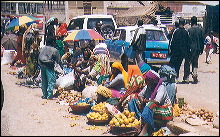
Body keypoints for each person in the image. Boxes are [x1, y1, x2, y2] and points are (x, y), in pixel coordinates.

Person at [137, 70, 172, 135]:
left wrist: (146, 101)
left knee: (151, 104)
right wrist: (142, 101)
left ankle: (147, 128)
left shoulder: (161, 88)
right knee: (134, 101)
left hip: (164, 110)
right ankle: (139, 122)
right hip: (150, 108)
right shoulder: (147, 86)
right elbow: (139, 95)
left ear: (153, 81)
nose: (145, 81)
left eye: (147, 80)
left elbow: (157, 101)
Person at [169, 18, 191, 83]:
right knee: (178, 64)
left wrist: (170, 51)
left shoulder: (176, 31)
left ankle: (174, 77)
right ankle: (176, 77)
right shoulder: (186, 32)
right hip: (182, 52)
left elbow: (172, 42)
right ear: (184, 24)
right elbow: (188, 43)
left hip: (175, 51)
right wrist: (187, 52)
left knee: (173, 64)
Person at [187, 16, 204, 83]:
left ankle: (187, 77)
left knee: (188, 63)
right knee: (195, 62)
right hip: (197, 49)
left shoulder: (189, 30)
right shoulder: (200, 30)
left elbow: (187, 40)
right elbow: (202, 40)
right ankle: (195, 74)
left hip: (190, 49)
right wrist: (201, 49)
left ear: (191, 22)